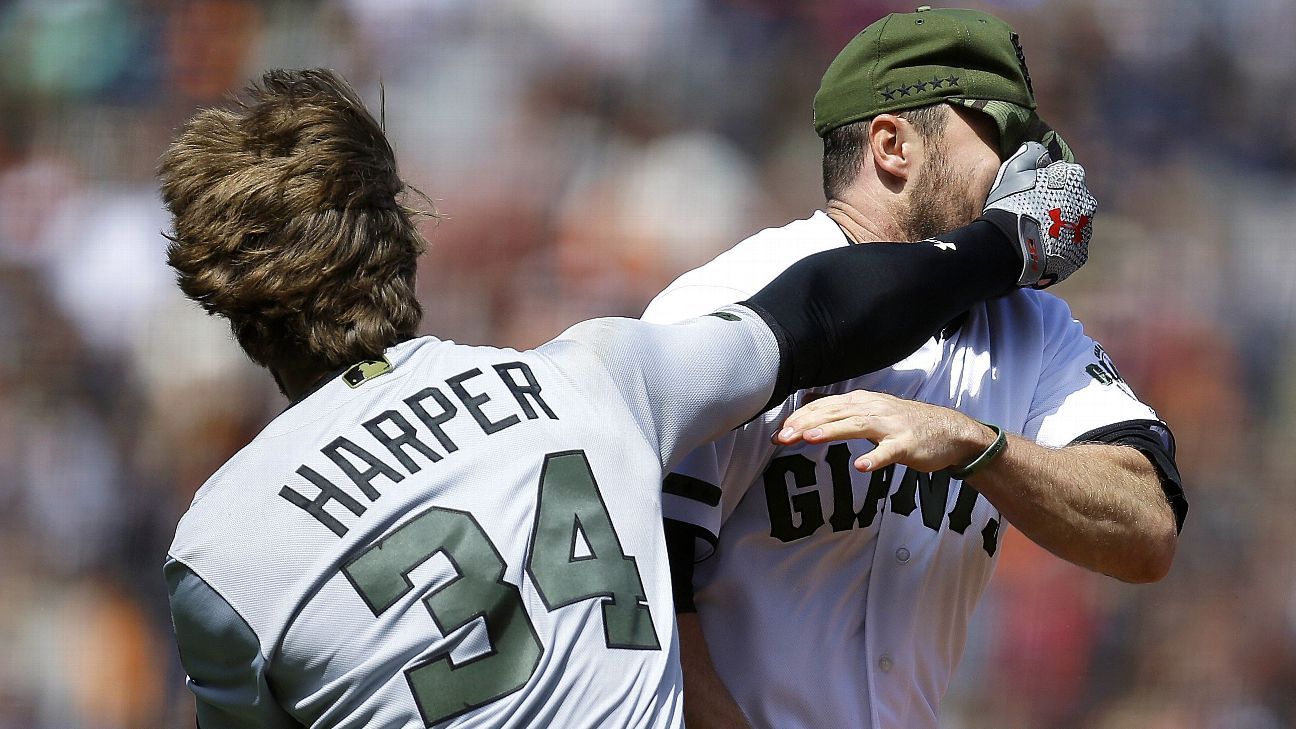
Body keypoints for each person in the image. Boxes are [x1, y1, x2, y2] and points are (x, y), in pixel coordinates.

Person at [158, 68, 1095, 728]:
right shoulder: (591, 380)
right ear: (405, 242)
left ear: (231, 309)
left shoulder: (223, 543)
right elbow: (824, 306)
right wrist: (1003, 245)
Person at [641, 8, 1187, 729]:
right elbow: (636, 594)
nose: (1036, 173)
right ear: (893, 144)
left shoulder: (1034, 329)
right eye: (1001, 136)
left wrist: (976, 444)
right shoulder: (732, 302)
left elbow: (1146, 528)